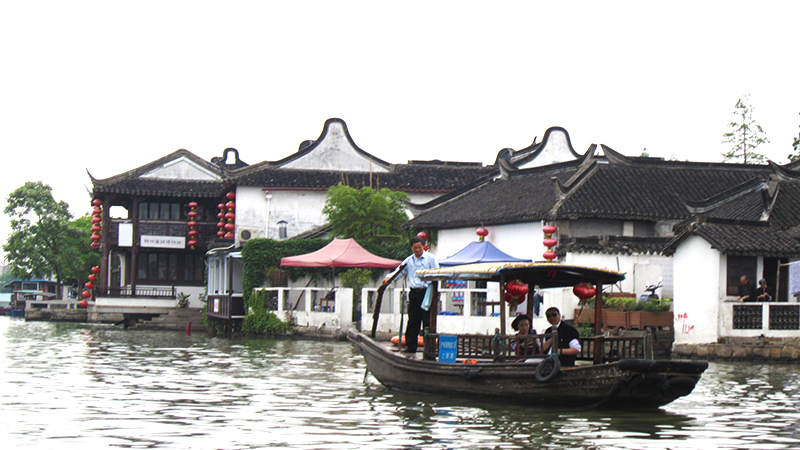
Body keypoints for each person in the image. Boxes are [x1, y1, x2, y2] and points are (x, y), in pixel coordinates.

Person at [382, 237, 439, 354]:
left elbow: (437, 273)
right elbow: (398, 272)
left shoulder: (430, 258)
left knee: (428, 321)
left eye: (419, 247)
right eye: (415, 248)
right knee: (413, 320)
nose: (417, 250)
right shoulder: (409, 260)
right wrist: (388, 278)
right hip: (414, 293)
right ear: (412, 248)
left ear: (423, 247)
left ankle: (429, 348)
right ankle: (411, 347)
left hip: (427, 292)